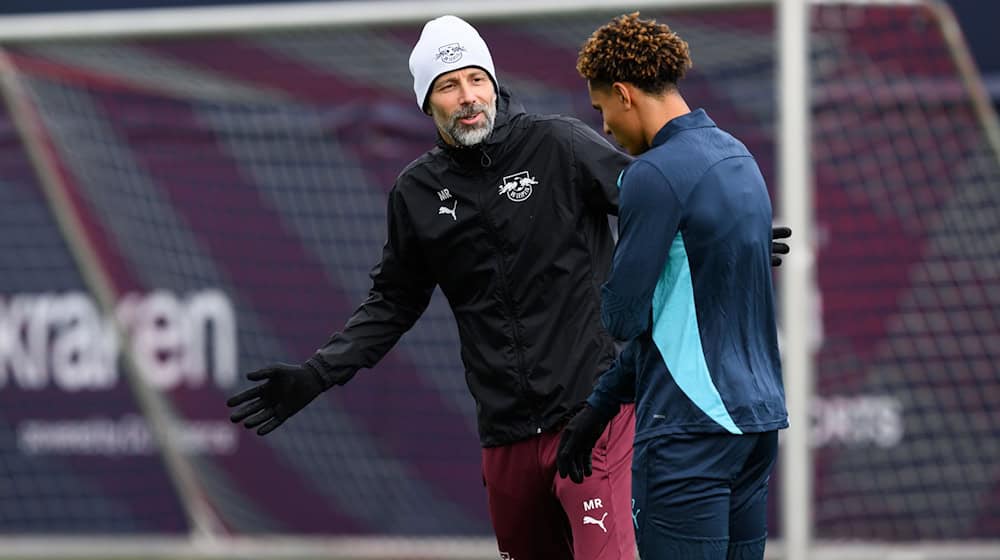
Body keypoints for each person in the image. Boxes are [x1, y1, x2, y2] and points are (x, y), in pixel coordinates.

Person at [227, 14, 789, 560]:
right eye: (448, 86)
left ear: (494, 84)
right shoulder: (416, 194)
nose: (468, 95)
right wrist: (318, 373)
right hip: (505, 437)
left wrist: (731, 238)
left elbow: (661, 197)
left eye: (477, 79)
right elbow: (392, 303)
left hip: (593, 419)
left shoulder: (560, 144)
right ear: (426, 102)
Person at [555, 13, 788, 560]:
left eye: (602, 110)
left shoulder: (652, 175)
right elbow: (678, 327)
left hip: (687, 434)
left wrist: (629, 275)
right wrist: (597, 410)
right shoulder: (740, 157)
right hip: (755, 427)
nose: (605, 129)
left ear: (623, 94)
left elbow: (624, 318)